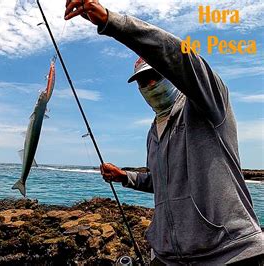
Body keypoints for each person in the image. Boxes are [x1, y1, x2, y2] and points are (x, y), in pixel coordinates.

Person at [64, 0, 264, 265]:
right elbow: (163, 183)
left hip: (229, 254)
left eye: (155, 76)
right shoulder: (153, 132)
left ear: (170, 75)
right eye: (142, 82)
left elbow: (179, 58)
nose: (149, 85)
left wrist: (111, 22)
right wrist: (125, 177)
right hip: (170, 257)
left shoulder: (210, 104)